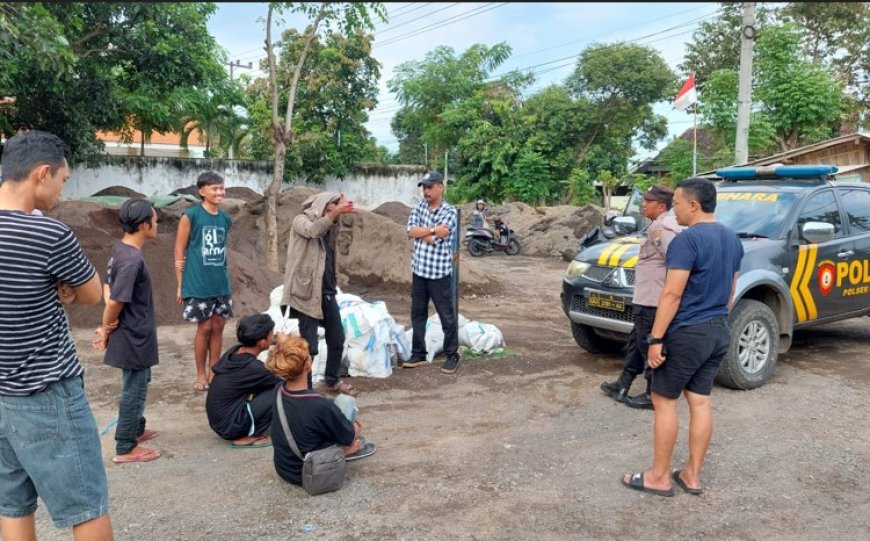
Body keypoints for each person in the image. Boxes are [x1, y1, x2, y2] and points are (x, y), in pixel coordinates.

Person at [0, 131, 113, 539]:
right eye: (63, 181)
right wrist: (58, 286)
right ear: (41, 173)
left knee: (12, 505)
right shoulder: (48, 234)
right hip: (47, 392)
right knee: (86, 505)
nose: (62, 192)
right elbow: (91, 292)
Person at [622, 177, 743, 497]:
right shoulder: (733, 239)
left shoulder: (687, 242)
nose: (673, 209)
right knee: (700, 401)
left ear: (694, 205)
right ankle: (691, 475)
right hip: (718, 330)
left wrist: (655, 339)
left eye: (676, 203)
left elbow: (672, 294)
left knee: (663, 401)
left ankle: (659, 477)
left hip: (687, 332)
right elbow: (730, 292)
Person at [92, 198, 161, 464]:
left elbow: (109, 287)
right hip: (133, 336)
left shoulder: (121, 250)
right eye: (154, 220)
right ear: (144, 225)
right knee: (135, 388)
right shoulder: (132, 260)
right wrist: (106, 328)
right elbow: (115, 301)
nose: (156, 224)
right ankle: (125, 446)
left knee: (140, 382)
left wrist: (108, 324)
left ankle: (136, 429)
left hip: (136, 333)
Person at [600, 185, 681, 410]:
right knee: (636, 343)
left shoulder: (662, 228)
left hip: (653, 300)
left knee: (650, 348)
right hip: (646, 298)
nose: (643, 205)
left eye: (648, 201)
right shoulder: (656, 225)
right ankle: (623, 384)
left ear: (661, 206)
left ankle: (653, 393)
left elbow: (676, 262)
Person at [268, 334, 376, 488]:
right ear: (308, 365)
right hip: (310, 471)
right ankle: (343, 452)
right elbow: (348, 434)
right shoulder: (319, 405)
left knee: (328, 414)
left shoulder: (279, 390)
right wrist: (355, 430)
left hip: (285, 469)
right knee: (346, 402)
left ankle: (342, 448)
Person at [280, 191, 357, 396]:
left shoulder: (331, 226)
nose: (337, 212)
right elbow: (314, 231)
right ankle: (306, 388)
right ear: (324, 206)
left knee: (337, 339)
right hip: (306, 292)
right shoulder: (301, 220)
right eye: (334, 207)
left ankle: (332, 379)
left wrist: (337, 214)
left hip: (327, 292)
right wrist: (333, 214)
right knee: (309, 346)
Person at [174, 171, 234, 392]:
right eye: (214, 188)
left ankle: (214, 371)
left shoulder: (226, 219)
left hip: (220, 282)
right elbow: (179, 251)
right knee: (205, 326)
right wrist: (181, 283)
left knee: (219, 325)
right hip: (198, 282)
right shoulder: (190, 216)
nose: (220, 192)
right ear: (201, 191)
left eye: (221, 188)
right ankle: (200, 373)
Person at [403, 171, 461, 374]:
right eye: (424, 187)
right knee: (417, 314)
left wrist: (425, 232)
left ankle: (452, 353)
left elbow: (436, 239)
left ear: (440, 187)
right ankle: (418, 352)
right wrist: (434, 230)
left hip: (438, 273)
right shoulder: (419, 206)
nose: (425, 191)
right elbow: (410, 231)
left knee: (446, 315)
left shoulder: (450, 211)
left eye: (429, 187)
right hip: (419, 270)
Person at [206, 314, 283, 448]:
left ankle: (246, 428)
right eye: (271, 334)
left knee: (268, 387)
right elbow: (289, 381)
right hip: (232, 427)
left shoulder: (235, 352)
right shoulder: (254, 368)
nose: (274, 336)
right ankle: (246, 437)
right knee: (282, 390)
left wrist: (273, 341)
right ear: (262, 342)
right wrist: (284, 347)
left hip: (220, 422)